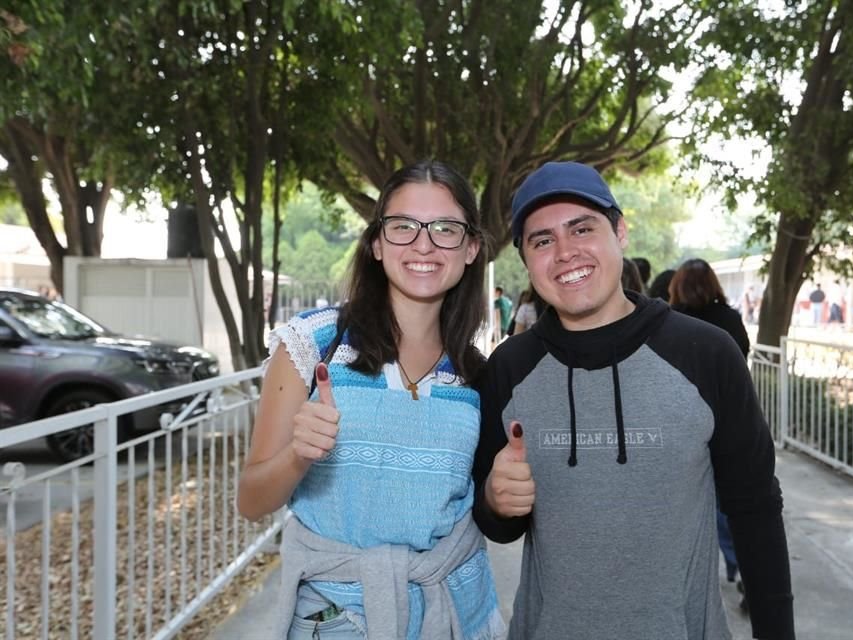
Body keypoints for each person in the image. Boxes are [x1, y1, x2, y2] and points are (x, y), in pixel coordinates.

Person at [472, 161, 794, 640]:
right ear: (526, 260)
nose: (565, 252)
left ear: (620, 232)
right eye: (542, 241)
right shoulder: (509, 367)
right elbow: (497, 525)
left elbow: (756, 511)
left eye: (582, 229)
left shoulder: (705, 354)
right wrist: (496, 503)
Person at [237, 160, 505, 640]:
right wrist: (298, 455)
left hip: (458, 613)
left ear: (471, 248)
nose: (423, 244)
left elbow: (481, 500)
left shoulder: (476, 373)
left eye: (445, 228)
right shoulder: (312, 343)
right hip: (340, 620)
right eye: (403, 226)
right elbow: (252, 500)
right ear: (377, 243)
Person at [668, 257, 751, 609]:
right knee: (731, 503)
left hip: (679, 423)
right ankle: (746, 571)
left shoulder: (670, 321)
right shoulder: (729, 318)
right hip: (725, 418)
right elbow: (742, 355)